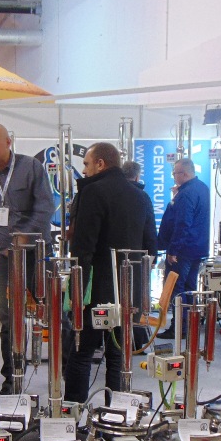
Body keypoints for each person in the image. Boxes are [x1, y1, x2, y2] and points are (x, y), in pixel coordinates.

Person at [64, 143, 158, 402]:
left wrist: (76, 294)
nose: (84, 170)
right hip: (128, 292)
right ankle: (116, 412)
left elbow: (83, 249)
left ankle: (73, 412)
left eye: (86, 164)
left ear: (100, 164)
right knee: (118, 356)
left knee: (82, 352)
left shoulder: (92, 192)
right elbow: (151, 247)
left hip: (96, 291)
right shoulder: (141, 196)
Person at [0, 123, 53, 399]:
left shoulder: (31, 168)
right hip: (4, 261)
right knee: (8, 320)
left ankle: (62, 375)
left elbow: (45, 208)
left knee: (53, 315)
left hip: (36, 256)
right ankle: (11, 381)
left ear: (8, 142)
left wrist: (22, 238)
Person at [157, 157, 210, 338]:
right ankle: (189, 327)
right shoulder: (202, 188)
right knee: (189, 288)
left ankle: (179, 328)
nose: (173, 176)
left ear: (185, 174)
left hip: (183, 250)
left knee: (176, 288)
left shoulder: (186, 194)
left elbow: (182, 224)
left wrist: (173, 250)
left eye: (175, 173)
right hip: (197, 248)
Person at [121, 159, 159, 348]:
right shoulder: (142, 197)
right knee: (137, 296)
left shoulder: (114, 194)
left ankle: (117, 338)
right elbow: (149, 227)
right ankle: (138, 340)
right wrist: (153, 255)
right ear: (137, 176)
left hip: (116, 255)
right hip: (138, 254)